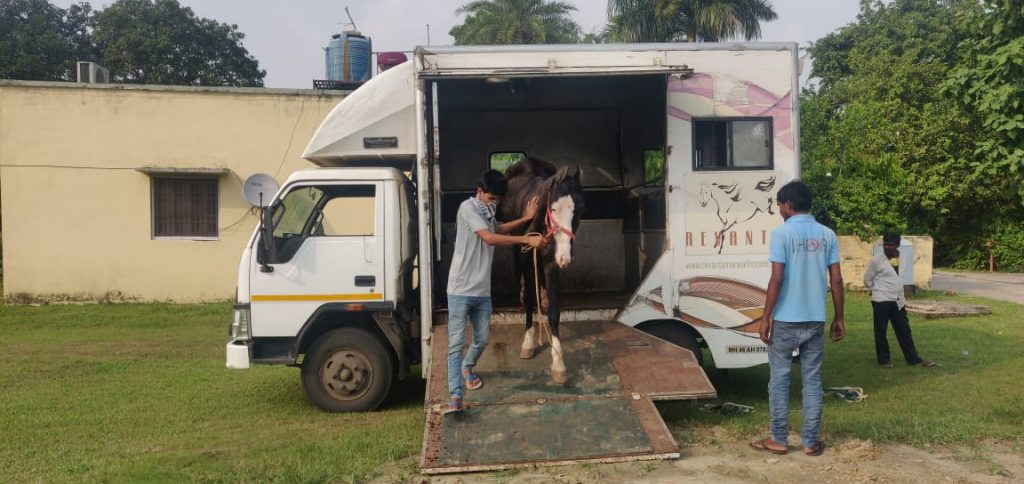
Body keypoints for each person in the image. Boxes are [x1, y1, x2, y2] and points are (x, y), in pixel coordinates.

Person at [751, 180, 845, 457]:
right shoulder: (827, 234)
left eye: (780, 204)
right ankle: (810, 442)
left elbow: (777, 279)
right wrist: (839, 317)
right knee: (812, 381)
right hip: (815, 320)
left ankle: (779, 440)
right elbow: (836, 280)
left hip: (785, 321)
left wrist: (765, 317)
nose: (779, 209)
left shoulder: (782, 234)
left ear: (789, 205)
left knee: (779, 381)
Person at [445, 169, 544, 415]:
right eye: (491, 198)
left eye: (498, 200)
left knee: (482, 339)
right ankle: (455, 397)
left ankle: (467, 367)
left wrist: (526, 218)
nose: (494, 203)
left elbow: (498, 228)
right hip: (460, 290)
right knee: (456, 344)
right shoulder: (468, 208)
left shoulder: (487, 212)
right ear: (479, 192)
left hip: (482, 291)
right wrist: (526, 240)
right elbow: (489, 238)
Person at [864, 231, 935, 368]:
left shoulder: (903, 257)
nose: (887, 247)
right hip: (881, 300)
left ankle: (914, 360)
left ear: (897, 244)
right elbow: (867, 280)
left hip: (898, 301)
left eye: (890, 245)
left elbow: (899, 277)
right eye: (885, 244)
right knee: (881, 331)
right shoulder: (876, 260)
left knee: (904, 330)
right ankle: (884, 360)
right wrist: (877, 289)